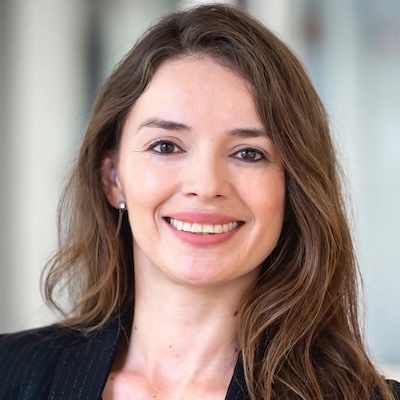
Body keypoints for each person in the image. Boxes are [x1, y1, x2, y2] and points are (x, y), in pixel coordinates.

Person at [0, 3, 399, 400]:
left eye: (248, 153)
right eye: (166, 145)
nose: (206, 185)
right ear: (113, 178)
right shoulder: (10, 372)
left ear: (293, 187)